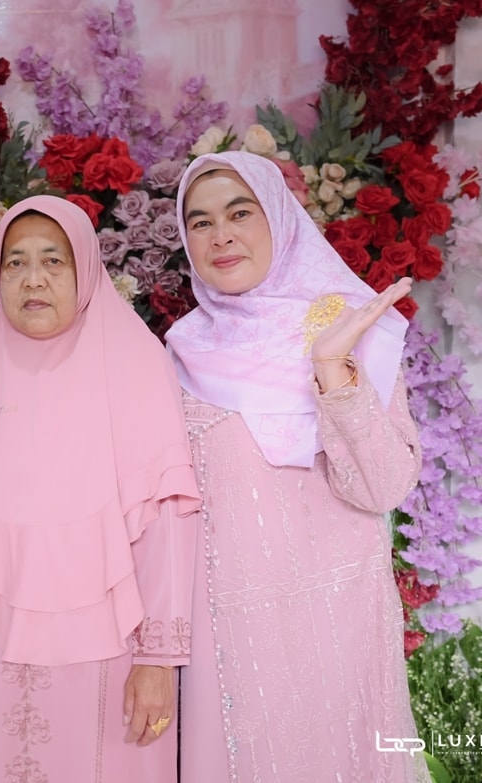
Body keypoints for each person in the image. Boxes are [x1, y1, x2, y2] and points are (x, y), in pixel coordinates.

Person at [166, 151, 427, 782]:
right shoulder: (179, 350)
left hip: (340, 623)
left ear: (280, 218)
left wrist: (333, 370)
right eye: (200, 222)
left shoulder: (350, 324)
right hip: (228, 635)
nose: (221, 235)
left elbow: (383, 488)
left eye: (240, 213)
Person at [0, 195, 200, 782]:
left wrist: (158, 659)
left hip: (116, 648)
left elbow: (169, 522)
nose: (33, 280)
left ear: (86, 270)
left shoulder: (132, 362)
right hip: (9, 638)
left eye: (53, 261)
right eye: (16, 262)